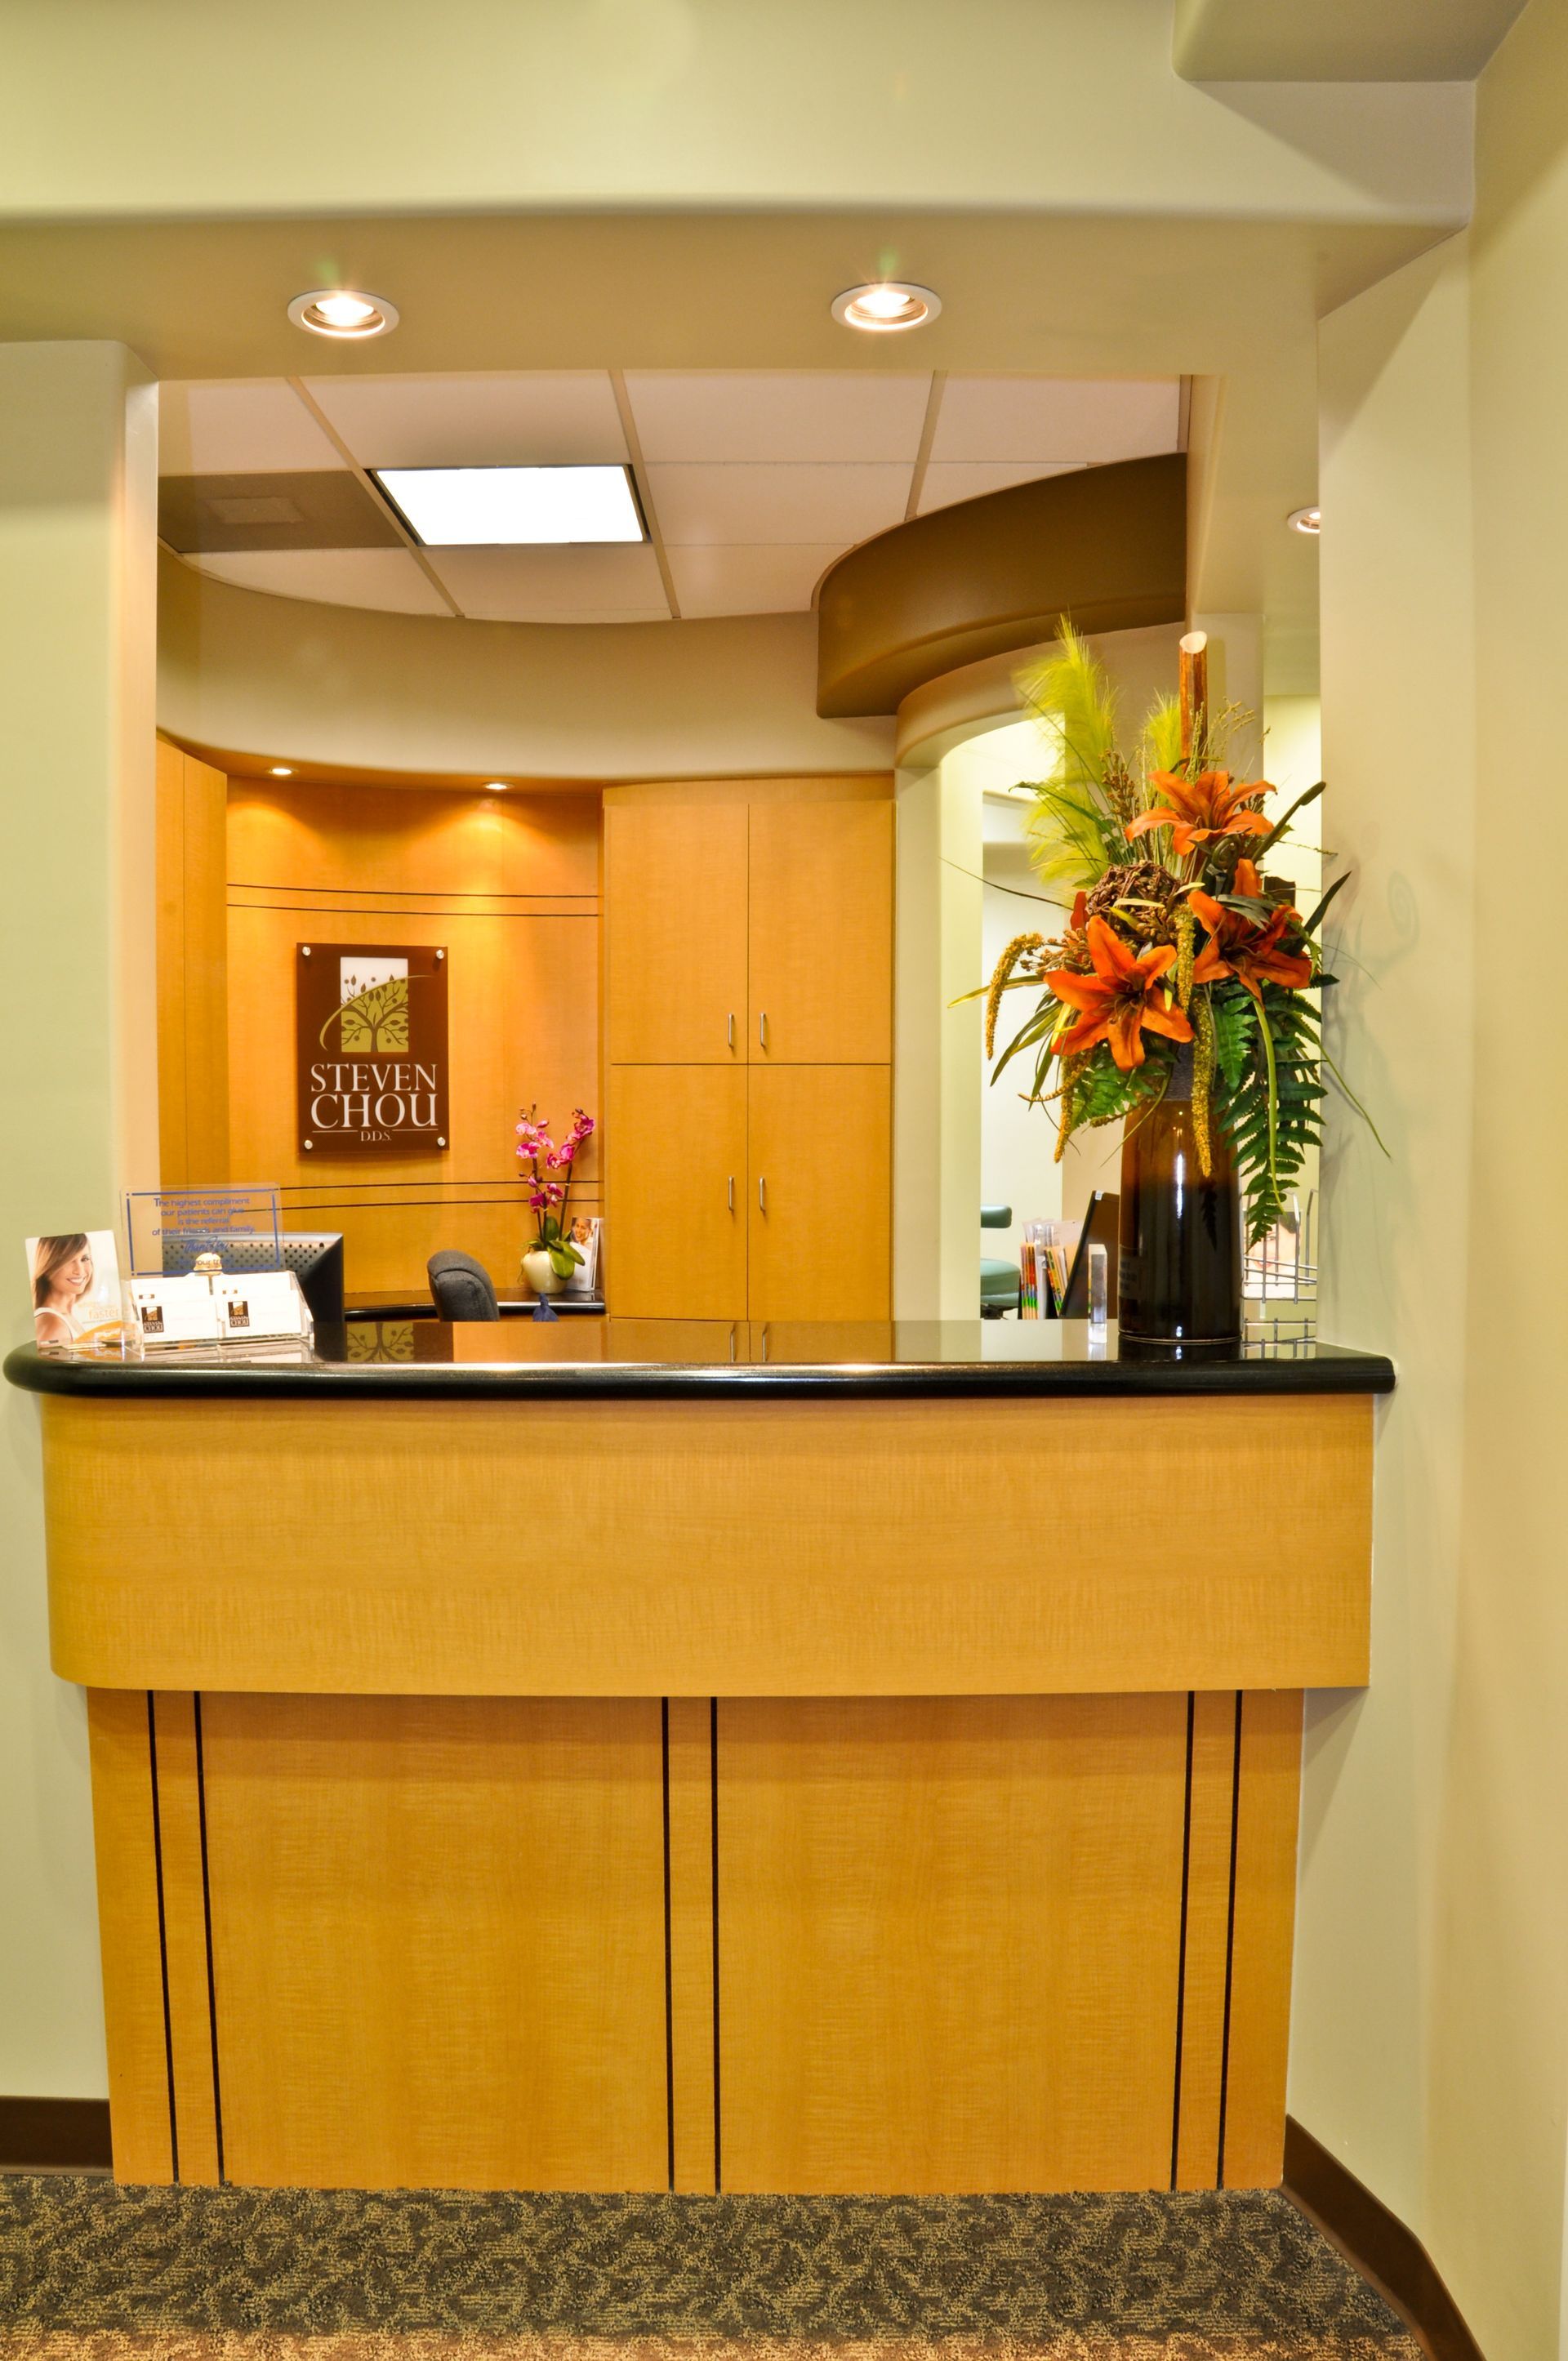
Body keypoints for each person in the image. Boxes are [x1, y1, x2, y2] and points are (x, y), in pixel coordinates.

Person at [33, 1233, 95, 1348]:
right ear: (48, 1266)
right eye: (69, 1260)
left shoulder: (67, 1316)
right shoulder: (54, 1325)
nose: (80, 1271)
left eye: (84, 1259)